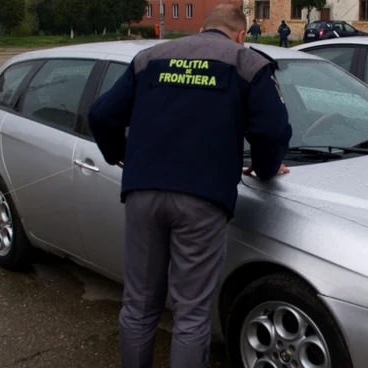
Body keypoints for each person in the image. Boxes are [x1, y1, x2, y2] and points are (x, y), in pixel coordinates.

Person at [86, 3, 292, 368]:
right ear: (241, 35)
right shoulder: (248, 63)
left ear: (202, 28)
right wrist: (264, 169)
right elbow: (272, 130)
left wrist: (120, 154)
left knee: (139, 305)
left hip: (143, 193)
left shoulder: (150, 57)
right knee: (191, 315)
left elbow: (102, 114)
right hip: (203, 198)